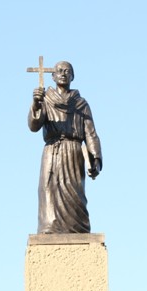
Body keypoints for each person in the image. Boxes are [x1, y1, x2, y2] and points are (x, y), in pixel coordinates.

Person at [28, 60, 102, 234]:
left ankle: (77, 229)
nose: (63, 73)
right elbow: (34, 126)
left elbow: (90, 133)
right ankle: (49, 227)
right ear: (53, 76)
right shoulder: (45, 100)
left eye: (67, 71)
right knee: (49, 189)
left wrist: (95, 159)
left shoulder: (81, 104)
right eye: (59, 71)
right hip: (52, 151)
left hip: (74, 152)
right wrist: (36, 104)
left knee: (74, 191)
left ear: (73, 76)